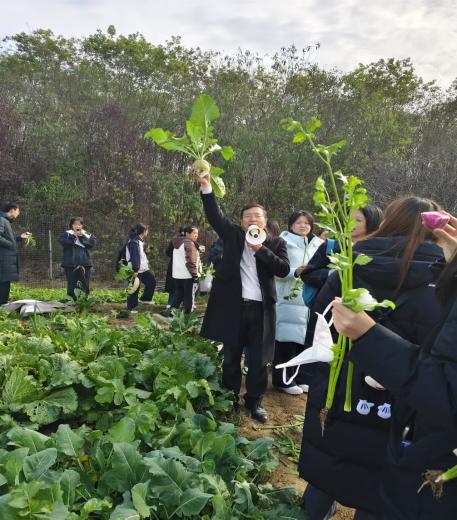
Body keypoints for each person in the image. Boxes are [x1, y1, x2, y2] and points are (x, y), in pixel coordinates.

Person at [299, 196, 445, 520]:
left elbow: (321, 319)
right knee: (380, 496)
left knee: (327, 477)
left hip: (340, 398)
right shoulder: (445, 282)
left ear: (387, 222)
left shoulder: (350, 264)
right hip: (401, 408)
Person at [330, 210, 457, 520]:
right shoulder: (438, 276)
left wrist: (369, 336)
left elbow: (445, 389)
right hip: (415, 434)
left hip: (428, 451)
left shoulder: (354, 262)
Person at [197, 172, 290, 423]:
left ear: (265, 220)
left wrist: (261, 251)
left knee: (259, 361)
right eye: (247, 216)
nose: (252, 219)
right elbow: (215, 216)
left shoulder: (276, 243)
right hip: (233, 308)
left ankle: (254, 402)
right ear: (241, 221)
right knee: (231, 358)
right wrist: (207, 188)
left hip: (261, 311)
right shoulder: (234, 236)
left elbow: (283, 269)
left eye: (257, 216)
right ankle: (229, 399)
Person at [273, 211, 324, 395]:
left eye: (306, 223)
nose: (303, 226)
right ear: (291, 225)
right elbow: (275, 270)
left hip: (309, 300)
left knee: (305, 342)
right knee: (286, 341)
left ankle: (300, 378)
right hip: (288, 299)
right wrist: (295, 272)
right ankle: (282, 380)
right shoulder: (282, 243)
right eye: (298, 223)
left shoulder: (319, 245)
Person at [302, 205, 383, 292]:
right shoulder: (331, 246)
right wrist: (333, 274)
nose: (350, 223)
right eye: (348, 219)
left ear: (372, 223)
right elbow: (307, 274)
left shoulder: (379, 251)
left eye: (358, 220)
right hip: (330, 303)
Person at [58, 217, 96, 300]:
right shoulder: (66, 234)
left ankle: (84, 302)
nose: (77, 226)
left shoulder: (87, 234)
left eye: (79, 224)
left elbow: (92, 244)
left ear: (82, 225)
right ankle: (71, 301)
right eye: (75, 224)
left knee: (85, 283)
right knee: (72, 284)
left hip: (85, 263)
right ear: (72, 225)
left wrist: (82, 237)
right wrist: (74, 237)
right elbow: (63, 242)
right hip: (70, 263)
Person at [0, 203, 31, 304]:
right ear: (12, 210)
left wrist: (19, 238)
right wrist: (10, 244)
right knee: (3, 282)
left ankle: (3, 305)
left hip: (6, 258)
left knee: (5, 281)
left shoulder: (6, 221)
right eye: (18, 211)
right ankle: (2, 305)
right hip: (3, 258)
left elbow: (9, 239)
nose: (18, 213)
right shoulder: (1, 220)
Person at [125, 223, 156, 313]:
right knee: (134, 288)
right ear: (143, 231)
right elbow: (134, 256)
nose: (148, 232)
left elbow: (141, 254)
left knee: (151, 281)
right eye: (147, 230)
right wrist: (135, 269)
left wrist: (147, 250)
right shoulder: (133, 242)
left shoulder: (139, 241)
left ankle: (145, 299)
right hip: (135, 268)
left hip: (143, 268)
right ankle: (132, 307)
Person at [171, 225, 201, 314]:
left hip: (178, 275)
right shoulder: (189, 243)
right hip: (188, 275)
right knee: (189, 298)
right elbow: (191, 260)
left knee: (178, 295)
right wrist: (195, 275)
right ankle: (187, 317)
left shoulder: (178, 243)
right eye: (194, 233)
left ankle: (171, 313)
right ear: (187, 234)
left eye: (197, 233)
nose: (196, 235)